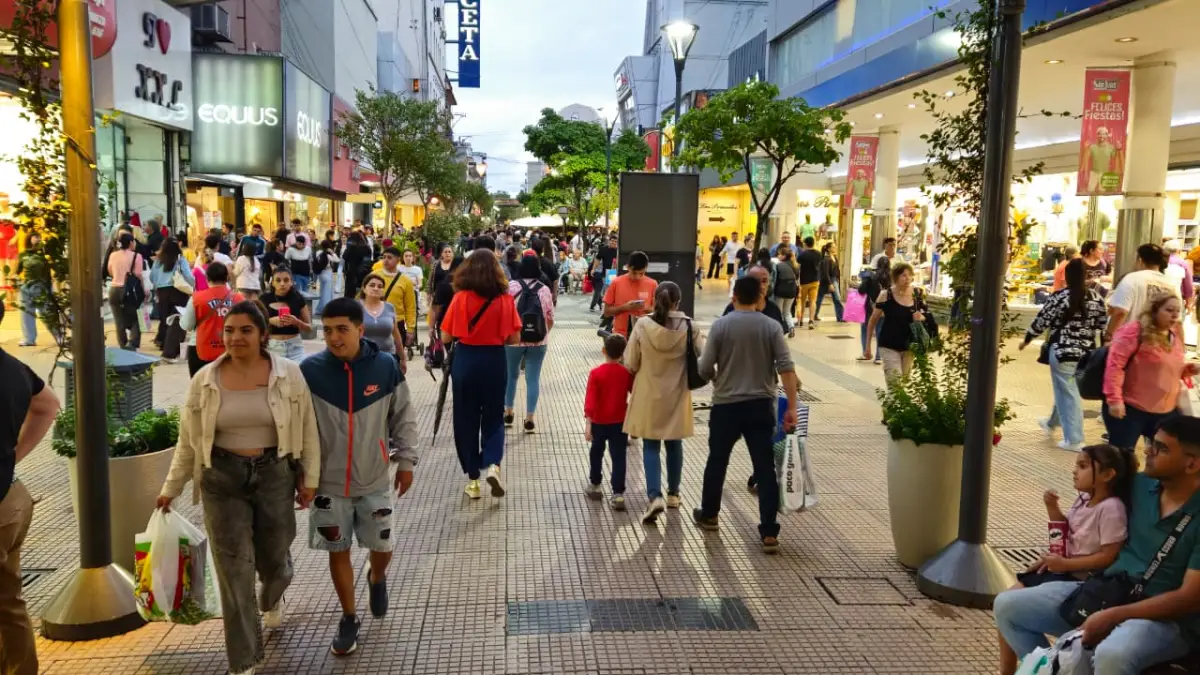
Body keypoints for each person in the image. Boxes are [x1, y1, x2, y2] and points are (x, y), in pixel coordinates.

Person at [156, 301, 321, 675]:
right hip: (220, 478)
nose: (235, 337)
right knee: (234, 571)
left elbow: (308, 430)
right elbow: (188, 440)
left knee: (274, 558)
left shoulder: (289, 374)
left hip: (275, 473)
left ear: (263, 335)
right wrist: (171, 487)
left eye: (245, 330)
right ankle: (244, 659)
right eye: (229, 331)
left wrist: (309, 479)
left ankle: (273, 591)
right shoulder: (206, 380)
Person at [994, 416, 1200, 675]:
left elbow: (1190, 599)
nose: (1148, 451)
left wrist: (1115, 616)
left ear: (1192, 463)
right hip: (1108, 591)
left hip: (1165, 619)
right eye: (1151, 443)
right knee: (1007, 605)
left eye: (1162, 448)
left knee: (1112, 654)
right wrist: (1056, 561)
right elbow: (1095, 512)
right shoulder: (1140, 485)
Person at [300, 297, 418, 656]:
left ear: (360, 330)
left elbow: (404, 415)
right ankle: (349, 616)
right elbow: (298, 427)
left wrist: (407, 460)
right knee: (338, 549)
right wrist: (301, 475)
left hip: (374, 480)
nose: (334, 338)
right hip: (327, 484)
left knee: (382, 546)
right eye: (328, 330)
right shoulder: (310, 371)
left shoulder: (384, 368)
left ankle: (377, 577)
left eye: (342, 329)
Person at [996, 444, 1135, 675]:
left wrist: (1065, 564)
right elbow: (1065, 529)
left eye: (1082, 466)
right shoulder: (1084, 499)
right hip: (1060, 568)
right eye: (1075, 465)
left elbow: (1109, 556)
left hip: (1079, 579)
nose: (1074, 471)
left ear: (1107, 475)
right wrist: (1052, 508)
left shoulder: (1111, 509)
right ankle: (1013, 670)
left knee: (1007, 607)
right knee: (1004, 605)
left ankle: (1045, 667)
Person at [695, 276, 799, 554]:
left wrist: (717, 376)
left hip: (726, 406)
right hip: (761, 406)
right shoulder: (771, 327)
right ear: (759, 299)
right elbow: (787, 369)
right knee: (764, 468)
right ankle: (768, 532)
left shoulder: (720, 326)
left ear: (734, 296)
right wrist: (791, 408)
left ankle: (710, 515)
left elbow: (704, 369)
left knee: (717, 461)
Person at [0, 326, 59, 675]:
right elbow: (49, 405)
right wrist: (13, 456)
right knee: (9, 601)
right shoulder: (13, 366)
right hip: (11, 498)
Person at [440, 249, 522, 499]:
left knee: (466, 418)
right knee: (494, 415)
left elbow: (446, 336)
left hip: (466, 360)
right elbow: (514, 338)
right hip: (494, 360)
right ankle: (494, 464)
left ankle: (473, 481)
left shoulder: (461, 298)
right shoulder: (505, 300)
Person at [625, 282, 704, 523]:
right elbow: (702, 357)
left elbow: (630, 362)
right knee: (674, 442)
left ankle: (654, 495)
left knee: (651, 445)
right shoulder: (690, 326)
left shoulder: (642, 325)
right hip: (677, 394)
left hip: (649, 392)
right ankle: (673, 494)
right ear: (678, 301)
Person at [1020, 258, 1107, 451]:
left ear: (1066, 276)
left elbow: (1042, 320)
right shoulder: (1096, 297)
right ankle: (1052, 422)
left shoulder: (1059, 297)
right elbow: (1103, 325)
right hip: (1087, 354)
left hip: (1062, 353)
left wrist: (1027, 339)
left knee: (1068, 392)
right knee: (1066, 389)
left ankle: (1074, 439)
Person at [1104, 294, 1195, 450]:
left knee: (1165, 457)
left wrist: (1186, 370)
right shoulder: (1134, 331)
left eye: (1177, 311)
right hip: (1132, 408)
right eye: (1169, 310)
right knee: (1122, 457)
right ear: (1155, 310)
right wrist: (1114, 400)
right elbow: (1115, 366)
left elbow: (1166, 366)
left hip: (1165, 410)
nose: (1174, 315)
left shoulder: (1174, 334)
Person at [504, 256, 555, 433]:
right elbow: (550, 318)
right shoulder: (545, 289)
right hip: (538, 341)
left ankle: (508, 412)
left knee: (511, 376)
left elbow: (504, 313)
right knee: (532, 379)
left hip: (513, 339)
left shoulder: (511, 287)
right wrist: (543, 334)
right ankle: (530, 418)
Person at [584, 334, 633, 510]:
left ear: (604, 351)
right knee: (619, 455)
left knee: (597, 451)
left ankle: (595, 484)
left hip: (599, 420)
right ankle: (618, 493)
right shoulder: (626, 373)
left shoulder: (596, 373)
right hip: (620, 421)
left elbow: (590, 400)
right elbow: (633, 391)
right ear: (623, 354)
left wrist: (588, 423)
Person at [864, 263, 928, 383]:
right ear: (895, 277)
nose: (907, 278)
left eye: (910, 275)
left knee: (904, 382)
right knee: (895, 384)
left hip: (909, 346)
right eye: (904, 275)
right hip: (888, 345)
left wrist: (921, 317)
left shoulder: (917, 294)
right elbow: (872, 320)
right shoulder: (885, 295)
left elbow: (927, 316)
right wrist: (868, 347)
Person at [179, 262, 244, 377]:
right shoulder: (239, 299)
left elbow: (187, 325)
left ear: (207, 278)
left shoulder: (197, 298)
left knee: (201, 389)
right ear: (227, 278)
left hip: (200, 350)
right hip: (232, 349)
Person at [1105, 243, 1179, 342]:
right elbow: (1177, 319)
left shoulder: (1132, 279)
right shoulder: (1171, 284)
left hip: (1130, 343)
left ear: (1140, 260)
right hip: (1159, 343)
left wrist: (1109, 336)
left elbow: (1120, 312)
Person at [150, 237, 195, 363]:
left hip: (161, 292)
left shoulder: (158, 261)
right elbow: (188, 275)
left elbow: (152, 276)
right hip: (178, 291)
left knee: (165, 319)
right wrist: (195, 286)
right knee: (177, 320)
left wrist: (159, 284)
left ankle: (164, 344)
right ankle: (170, 352)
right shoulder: (180, 259)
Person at [261, 266, 312, 362]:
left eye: (286, 280)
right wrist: (270, 321)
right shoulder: (264, 299)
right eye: (278, 280)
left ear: (291, 282)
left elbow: (309, 328)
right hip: (273, 346)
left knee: (297, 374)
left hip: (295, 346)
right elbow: (255, 322)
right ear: (272, 283)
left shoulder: (298, 298)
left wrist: (296, 322)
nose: (282, 284)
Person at [370, 247, 417, 351]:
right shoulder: (374, 276)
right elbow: (362, 298)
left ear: (397, 260)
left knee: (395, 359)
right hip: (375, 321)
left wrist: (410, 329)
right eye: (384, 257)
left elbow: (410, 307)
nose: (385, 260)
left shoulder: (405, 281)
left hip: (396, 324)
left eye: (389, 257)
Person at [603, 251, 658, 338]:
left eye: (641, 273)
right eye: (634, 273)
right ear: (628, 267)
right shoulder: (616, 283)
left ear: (646, 268)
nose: (637, 277)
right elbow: (606, 312)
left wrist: (645, 308)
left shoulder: (652, 284)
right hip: (620, 337)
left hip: (644, 336)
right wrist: (625, 307)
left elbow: (657, 312)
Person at [358, 273, 406, 370]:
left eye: (380, 286)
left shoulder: (389, 307)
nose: (376, 288)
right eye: (372, 285)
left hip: (388, 358)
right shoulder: (355, 308)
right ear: (364, 288)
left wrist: (402, 358)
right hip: (363, 359)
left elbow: (396, 335)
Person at [723, 265, 789, 333]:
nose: (761, 286)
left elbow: (780, 334)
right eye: (756, 281)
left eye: (765, 281)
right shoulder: (733, 308)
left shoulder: (774, 309)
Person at [107, 232, 144, 350]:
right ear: (131, 243)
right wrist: (144, 289)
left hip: (114, 289)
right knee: (136, 317)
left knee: (118, 319)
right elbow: (138, 275)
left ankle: (123, 345)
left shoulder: (113, 255)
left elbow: (110, 271)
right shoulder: (136, 256)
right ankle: (133, 343)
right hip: (129, 290)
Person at [15, 233, 48, 347]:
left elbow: (47, 272)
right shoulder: (23, 254)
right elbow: (17, 270)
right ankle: (29, 339)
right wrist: (16, 280)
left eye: (39, 237)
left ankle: (59, 336)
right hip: (26, 286)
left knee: (46, 312)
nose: (38, 239)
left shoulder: (43, 255)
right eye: (35, 237)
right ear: (29, 239)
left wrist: (48, 287)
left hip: (41, 286)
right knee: (26, 313)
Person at [857, 256, 891, 364]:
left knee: (865, 328)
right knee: (880, 331)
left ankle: (866, 352)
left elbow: (861, 291)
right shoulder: (891, 277)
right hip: (884, 308)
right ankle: (878, 357)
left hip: (870, 307)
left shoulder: (871, 276)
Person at [772, 247, 800, 338]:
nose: (778, 256)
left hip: (781, 291)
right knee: (787, 312)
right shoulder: (795, 266)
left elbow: (775, 280)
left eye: (780, 254)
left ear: (784, 256)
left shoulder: (779, 265)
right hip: (792, 291)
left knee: (778, 312)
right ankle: (791, 328)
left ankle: (780, 330)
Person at [795, 236, 822, 329]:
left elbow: (797, 267)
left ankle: (800, 321)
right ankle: (811, 321)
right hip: (815, 280)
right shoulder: (818, 254)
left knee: (801, 301)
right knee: (813, 301)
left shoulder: (802, 254)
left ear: (805, 244)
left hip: (804, 281)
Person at [815, 242, 845, 323]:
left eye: (835, 246)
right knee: (822, 299)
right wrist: (830, 284)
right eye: (833, 247)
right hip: (829, 280)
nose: (835, 248)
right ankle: (841, 317)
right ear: (828, 249)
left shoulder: (834, 257)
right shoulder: (826, 259)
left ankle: (840, 317)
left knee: (833, 299)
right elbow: (825, 273)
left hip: (834, 280)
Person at [590, 235, 619, 312]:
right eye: (612, 241)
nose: (614, 243)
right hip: (605, 272)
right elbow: (597, 259)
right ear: (609, 241)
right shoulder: (603, 249)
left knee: (608, 291)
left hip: (614, 272)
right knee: (604, 291)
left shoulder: (618, 251)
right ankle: (603, 306)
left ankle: (606, 306)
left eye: (615, 242)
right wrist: (593, 269)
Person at [340, 232, 373, 299]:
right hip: (363, 274)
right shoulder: (367, 248)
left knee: (350, 295)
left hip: (352, 274)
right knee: (362, 295)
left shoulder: (351, 248)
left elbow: (344, 257)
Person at [315, 239, 339, 315]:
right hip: (328, 273)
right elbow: (337, 260)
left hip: (321, 274)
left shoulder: (318, 253)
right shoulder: (328, 255)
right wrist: (332, 252)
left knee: (322, 292)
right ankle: (326, 310)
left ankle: (319, 309)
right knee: (327, 293)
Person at [398, 249, 424, 316]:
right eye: (406, 256)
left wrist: (415, 284)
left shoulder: (417, 269)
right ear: (402, 258)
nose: (408, 258)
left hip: (413, 291)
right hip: (401, 291)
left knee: (413, 314)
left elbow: (420, 284)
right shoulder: (398, 268)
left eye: (410, 256)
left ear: (413, 258)